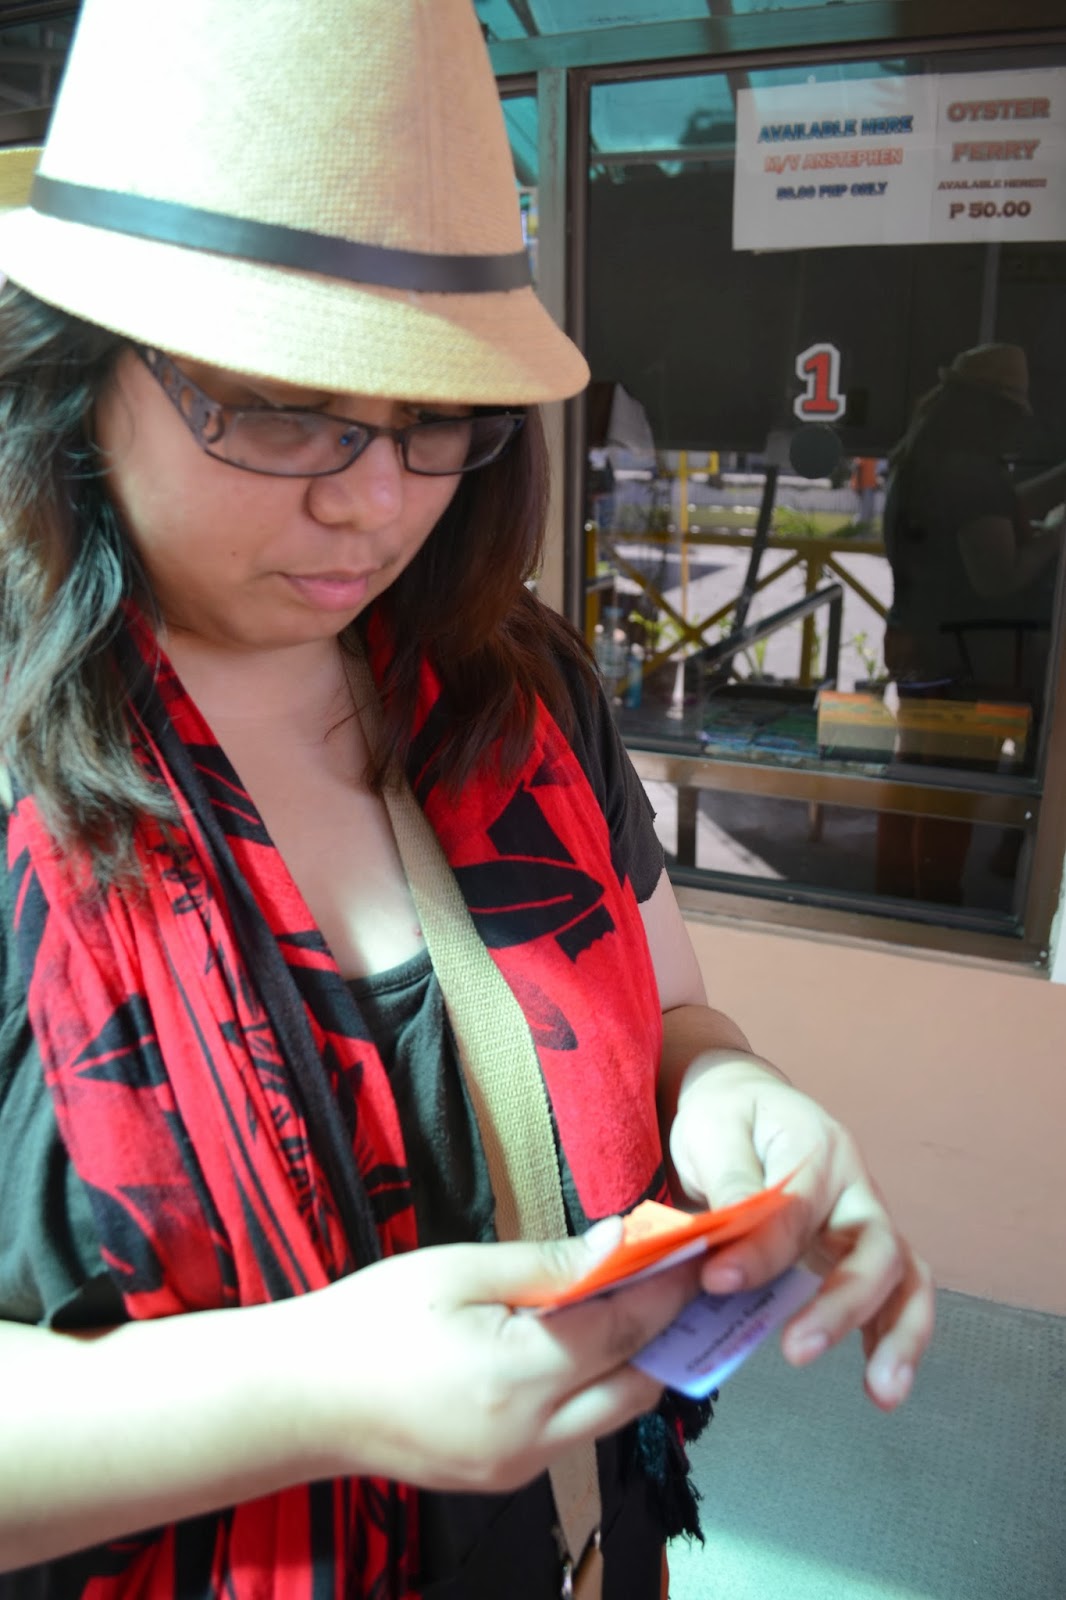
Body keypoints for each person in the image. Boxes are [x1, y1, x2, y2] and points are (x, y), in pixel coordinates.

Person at [0, 3, 933, 1596]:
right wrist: (305, 1397)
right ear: (78, 375)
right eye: (276, 401)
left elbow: (671, 1012)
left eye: (432, 416)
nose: (374, 501)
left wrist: (727, 1096)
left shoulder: (516, 686)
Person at [878, 343, 1066, 902]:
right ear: (989, 411)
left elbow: (994, 509)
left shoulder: (922, 458)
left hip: (914, 640)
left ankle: (897, 888)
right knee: (952, 784)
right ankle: (936, 896)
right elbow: (997, 577)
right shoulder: (969, 472)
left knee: (915, 771)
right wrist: (1057, 536)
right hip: (960, 656)